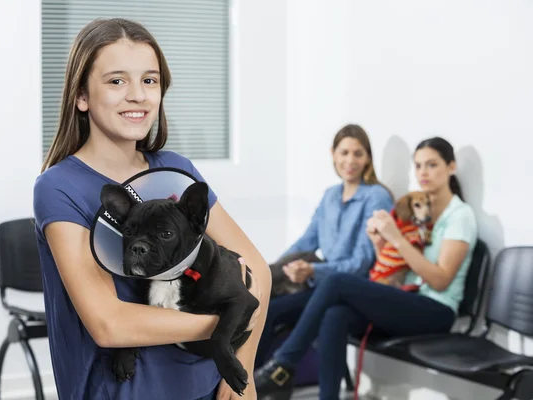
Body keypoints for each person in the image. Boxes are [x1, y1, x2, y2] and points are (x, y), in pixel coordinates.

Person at [33, 18, 270, 400]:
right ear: (81, 95)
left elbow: (257, 268)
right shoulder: (59, 187)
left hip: (206, 384)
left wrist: (240, 369)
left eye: (149, 80)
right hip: (121, 390)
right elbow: (110, 324)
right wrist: (226, 324)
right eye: (116, 81)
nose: (138, 96)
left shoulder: (178, 172)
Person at [254, 137, 478, 400]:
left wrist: (396, 238)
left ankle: (282, 365)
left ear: (451, 167)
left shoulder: (459, 216)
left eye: (432, 165)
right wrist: (381, 244)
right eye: (418, 166)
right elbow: (400, 269)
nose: (423, 173)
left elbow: (440, 281)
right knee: (335, 314)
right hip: (408, 298)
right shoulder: (420, 211)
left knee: (336, 282)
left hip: (437, 310)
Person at [255, 124, 394, 368]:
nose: (350, 160)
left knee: (271, 312)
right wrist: (278, 269)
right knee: (258, 299)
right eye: (344, 152)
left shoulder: (376, 197)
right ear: (333, 154)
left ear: (368, 158)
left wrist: (312, 271)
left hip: (350, 290)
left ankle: (254, 386)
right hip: (320, 285)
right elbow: (307, 241)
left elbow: (361, 264)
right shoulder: (330, 195)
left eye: (358, 153)